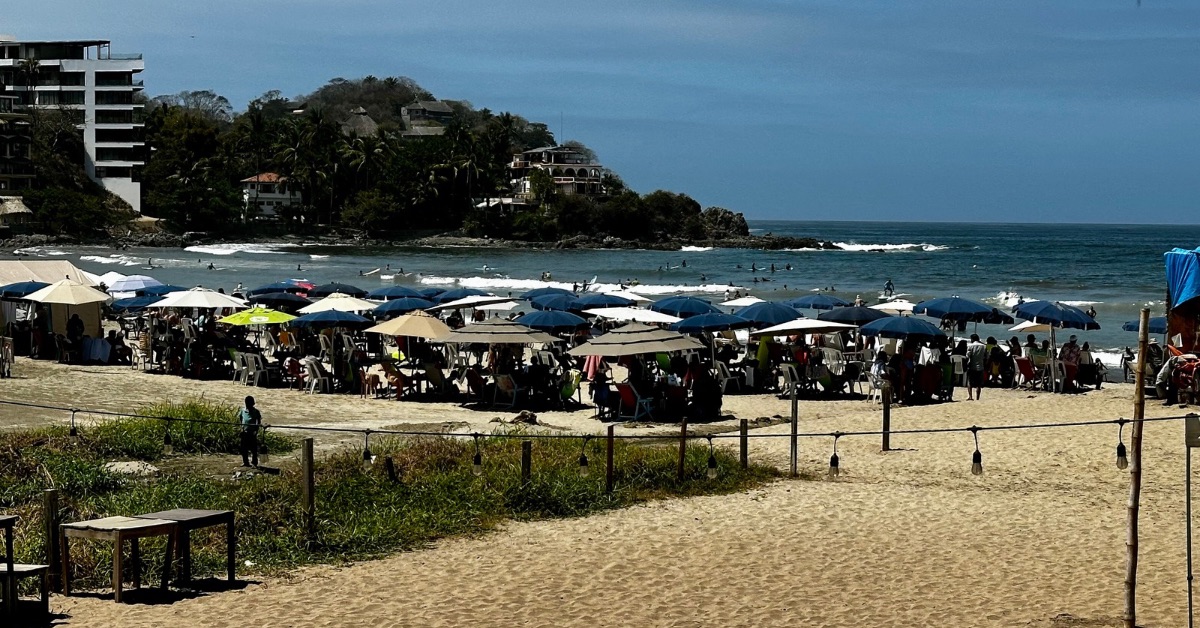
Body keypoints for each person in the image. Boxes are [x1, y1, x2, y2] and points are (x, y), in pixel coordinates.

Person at [239, 396, 262, 467]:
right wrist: (241, 427)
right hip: (244, 432)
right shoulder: (243, 411)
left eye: (249, 403)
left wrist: (256, 430)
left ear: (253, 404)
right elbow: (240, 418)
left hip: (252, 433)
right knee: (243, 448)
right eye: (247, 403)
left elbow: (258, 421)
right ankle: (245, 462)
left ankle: (254, 463)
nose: (248, 405)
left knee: (253, 449)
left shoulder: (256, 412)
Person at [966, 334, 987, 400]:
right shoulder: (984, 346)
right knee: (979, 384)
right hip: (980, 366)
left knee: (970, 382)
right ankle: (977, 397)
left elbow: (968, 356)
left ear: (972, 339)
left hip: (972, 366)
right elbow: (986, 356)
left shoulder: (970, 346)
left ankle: (970, 396)